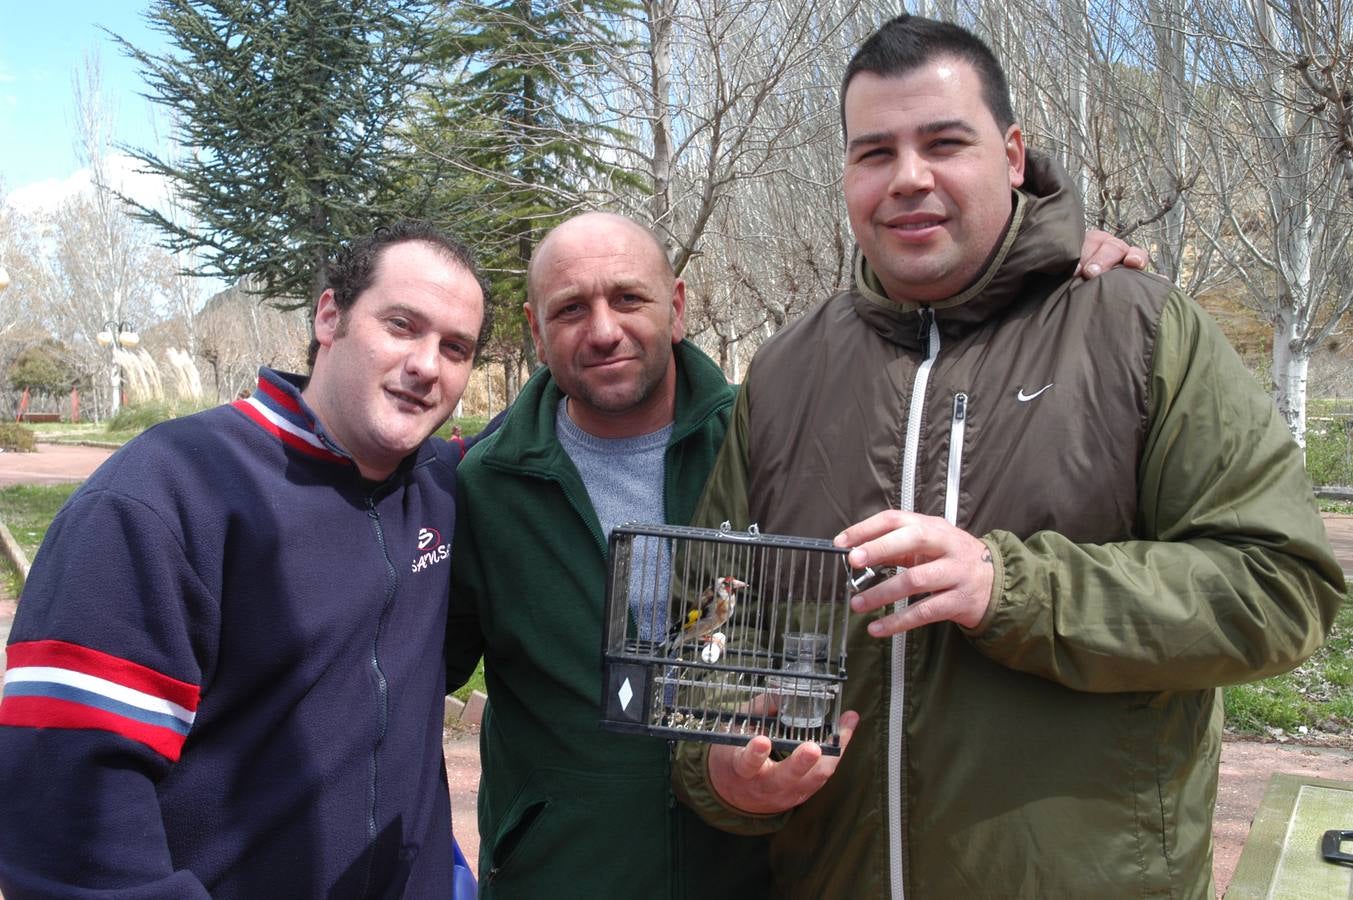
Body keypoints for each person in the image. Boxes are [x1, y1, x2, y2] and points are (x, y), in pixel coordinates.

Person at [671, 15, 1345, 900]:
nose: (908, 178)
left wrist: (1008, 588)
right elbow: (706, 637)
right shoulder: (785, 371)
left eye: (944, 142)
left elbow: (1279, 590)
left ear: (1014, 153)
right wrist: (720, 774)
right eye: (874, 153)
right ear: (846, 175)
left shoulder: (1140, 330)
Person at [445, 209, 1145, 897]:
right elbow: (415, 662)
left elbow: (930, 397)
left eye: (628, 298)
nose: (603, 330)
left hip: (752, 867)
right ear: (536, 331)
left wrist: (1027, 265)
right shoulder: (486, 484)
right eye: (570, 309)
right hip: (566, 872)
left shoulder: (774, 438)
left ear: (678, 306)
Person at [0, 221, 487, 898]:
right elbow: (65, 812)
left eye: (455, 347)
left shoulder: (441, 485)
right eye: (402, 325)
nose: (427, 363)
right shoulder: (162, 498)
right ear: (329, 316)